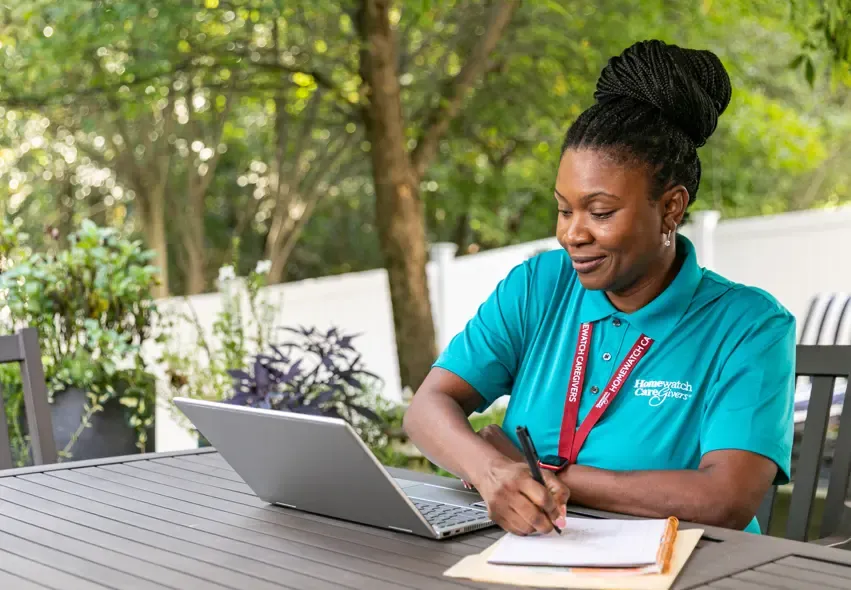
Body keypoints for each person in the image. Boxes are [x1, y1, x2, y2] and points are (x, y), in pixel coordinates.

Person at [402, 39, 795, 537]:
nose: (572, 233)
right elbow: (428, 407)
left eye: (601, 212)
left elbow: (725, 500)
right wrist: (491, 471)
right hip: (534, 555)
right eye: (565, 209)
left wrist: (551, 476)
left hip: (686, 566)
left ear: (671, 207)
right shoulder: (539, 285)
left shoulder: (749, 325)